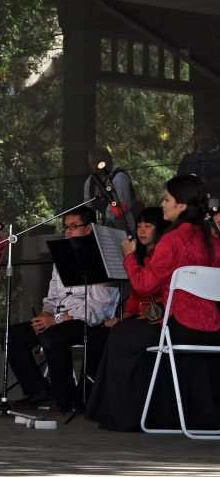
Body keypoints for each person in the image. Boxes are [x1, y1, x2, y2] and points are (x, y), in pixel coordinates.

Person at [87, 175, 220, 431]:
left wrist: (129, 257)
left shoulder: (173, 240)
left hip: (179, 325)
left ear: (182, 206)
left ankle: (126, 416)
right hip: (212, 330)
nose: (163, 204)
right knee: (135, 332)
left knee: (122, 334)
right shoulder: (214, 242)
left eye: (167, 199)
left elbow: (144, 285)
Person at [7, 207, 119, 412]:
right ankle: (39, 391)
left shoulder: (103, 259)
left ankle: (66, 397)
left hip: (87, 322)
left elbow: (99, 309)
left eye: (73, 227)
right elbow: (52, 296)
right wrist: (47, 313)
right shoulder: (62, 257)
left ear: (89, 229)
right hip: (58, 319)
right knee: (14, 335)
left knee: (52, 337)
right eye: (65, 228)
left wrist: (58, 319)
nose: (68, 232)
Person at [84, 207, 169, 399]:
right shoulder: (142, 257)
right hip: (140, 318)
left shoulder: (160, 257)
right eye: (139, 226)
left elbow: (158, 298)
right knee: (98, 335)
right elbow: (135, 298)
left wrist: (133, 319)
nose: (141, 230)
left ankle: (114, 395)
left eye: (148, 226)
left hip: (156, 320)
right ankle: (93, 393)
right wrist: (123, 317)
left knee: (114, 336)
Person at [83, 146, 139, 230]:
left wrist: (108, 222)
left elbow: (119, 205)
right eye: (92, 163)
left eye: (98, 162)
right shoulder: (90, 181)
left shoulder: (119, 177)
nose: (94, 166)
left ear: (109, 161)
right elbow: (88, 205)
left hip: (123, 225)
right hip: (103, 226)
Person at [176, 124, 220, 201]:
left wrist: (205, 184)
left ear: (214, 138)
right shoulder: (187, 158)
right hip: (193, 202)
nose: (200, 138)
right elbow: (179, 180)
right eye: (197, 135)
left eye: (205, 134)